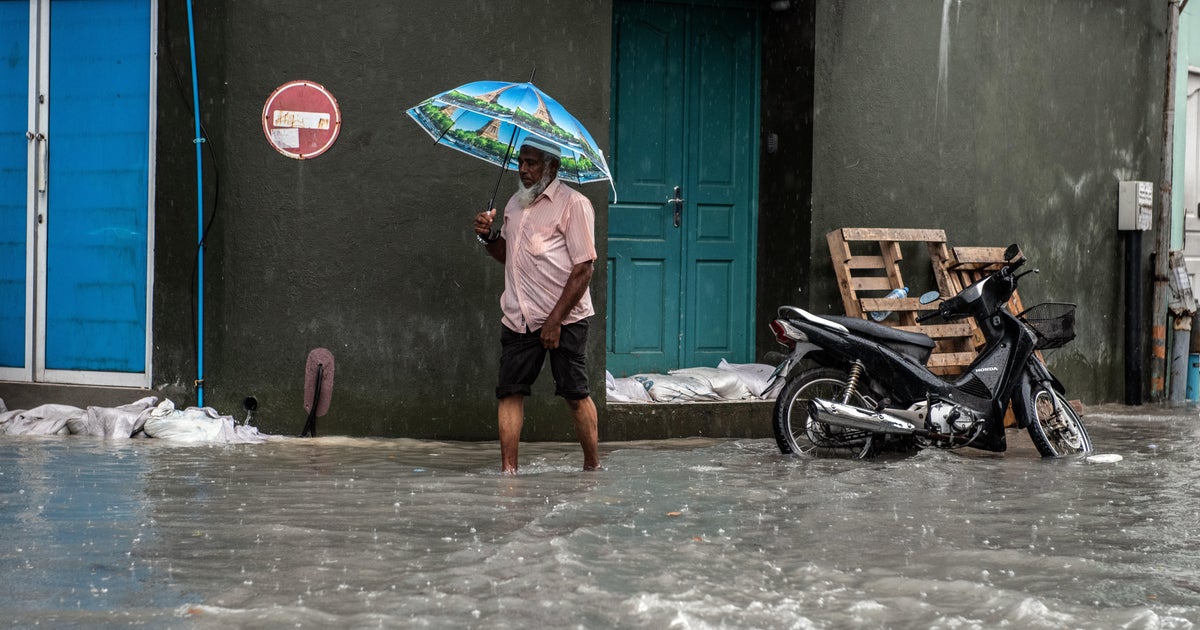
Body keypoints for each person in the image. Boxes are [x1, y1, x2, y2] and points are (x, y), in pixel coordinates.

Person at [472, 136, 600, 474]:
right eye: (521, 162)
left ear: (552, 167)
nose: (524, 169)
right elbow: (508, 257)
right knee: (509, 392)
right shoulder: (515, 204)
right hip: (519, 317)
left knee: (575, 395)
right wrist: (489, 237)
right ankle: (508, 472)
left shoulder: (574, 205)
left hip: (566, 318)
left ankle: (592, 467)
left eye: (532, 163)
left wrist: (555, 321)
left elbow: (584, 267)